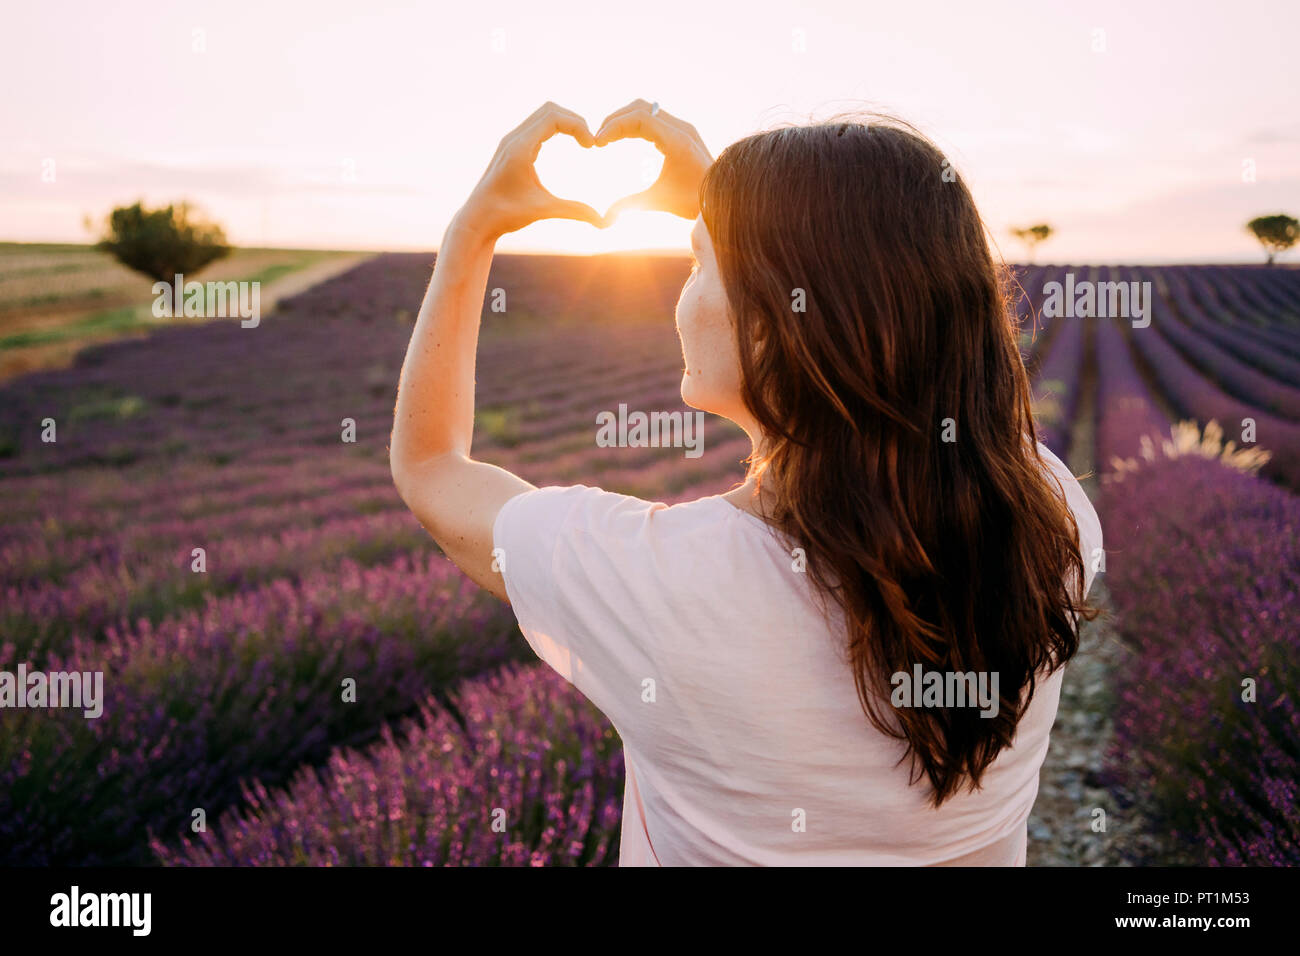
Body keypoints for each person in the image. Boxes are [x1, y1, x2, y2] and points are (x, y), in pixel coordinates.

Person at [390, 100, 1103, 866]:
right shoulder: (1053, 514)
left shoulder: (669, 581)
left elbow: (432, 466)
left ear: (770, 324)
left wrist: (472, 232)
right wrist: (746, 204)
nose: (684, 293)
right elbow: (892, 345)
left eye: (700, 261)